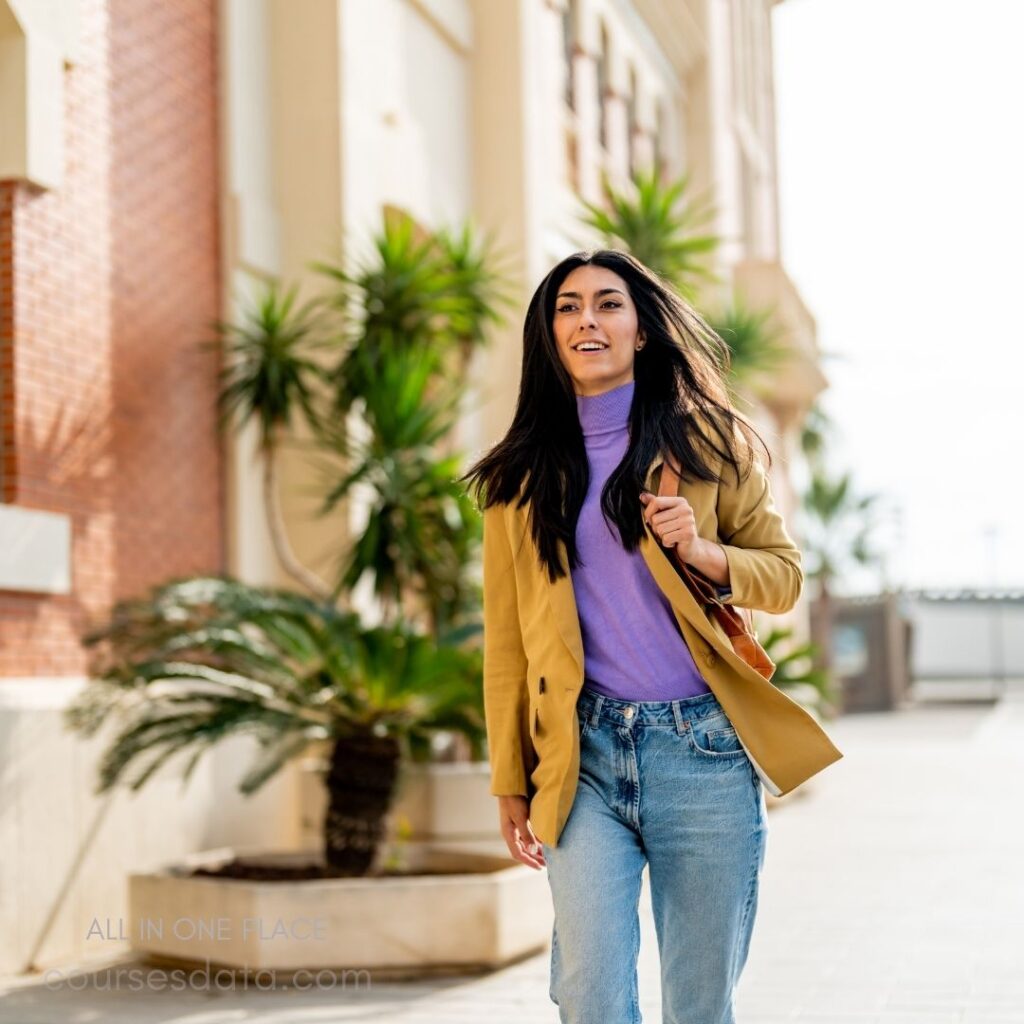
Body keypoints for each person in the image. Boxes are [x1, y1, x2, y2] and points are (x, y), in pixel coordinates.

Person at [460, 249, 842, 1023]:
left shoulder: (709, 445)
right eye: (567, 308)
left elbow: (784, 575)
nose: (586, 320)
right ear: (549, 335)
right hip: (584, 756)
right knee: (589, 992)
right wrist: (510, 776)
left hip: (703, 753)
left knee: (699, 1003)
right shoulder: (517, 479)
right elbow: (507, 642)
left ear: (640, 331)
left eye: (608, 304)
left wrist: (702, 551)